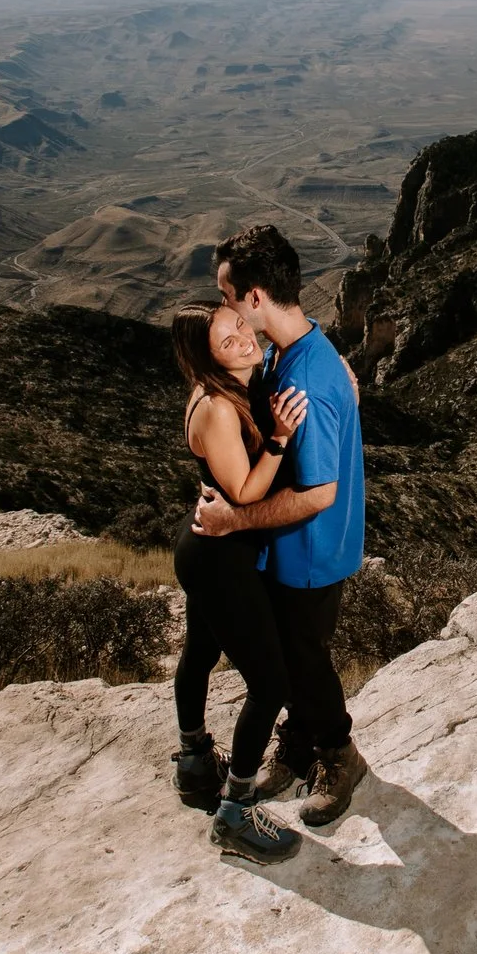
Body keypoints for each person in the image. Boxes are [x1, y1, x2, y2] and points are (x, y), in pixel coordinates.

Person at [193, 224, 369, 830]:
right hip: (289, 550)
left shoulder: (305, 381)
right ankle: (297, 746)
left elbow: (320, 492)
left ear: (258, 298)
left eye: (230, 297)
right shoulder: (291, 351)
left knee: (305, 661)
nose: (227, 309)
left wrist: (232, 519)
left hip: (312, 550)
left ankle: (340, 758)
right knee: (292, 659)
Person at [168, 301, 310, 864]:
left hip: (203, 547)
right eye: (224, 340)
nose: (241, 338)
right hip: (219, 556)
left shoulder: (228, 386)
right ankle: (236, 810)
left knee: (200, 652)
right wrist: (277, 438)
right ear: (204, 358)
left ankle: (195, 762)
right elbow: (247, 493)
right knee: (270, 683)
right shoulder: (218, 411)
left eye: (238, 326)